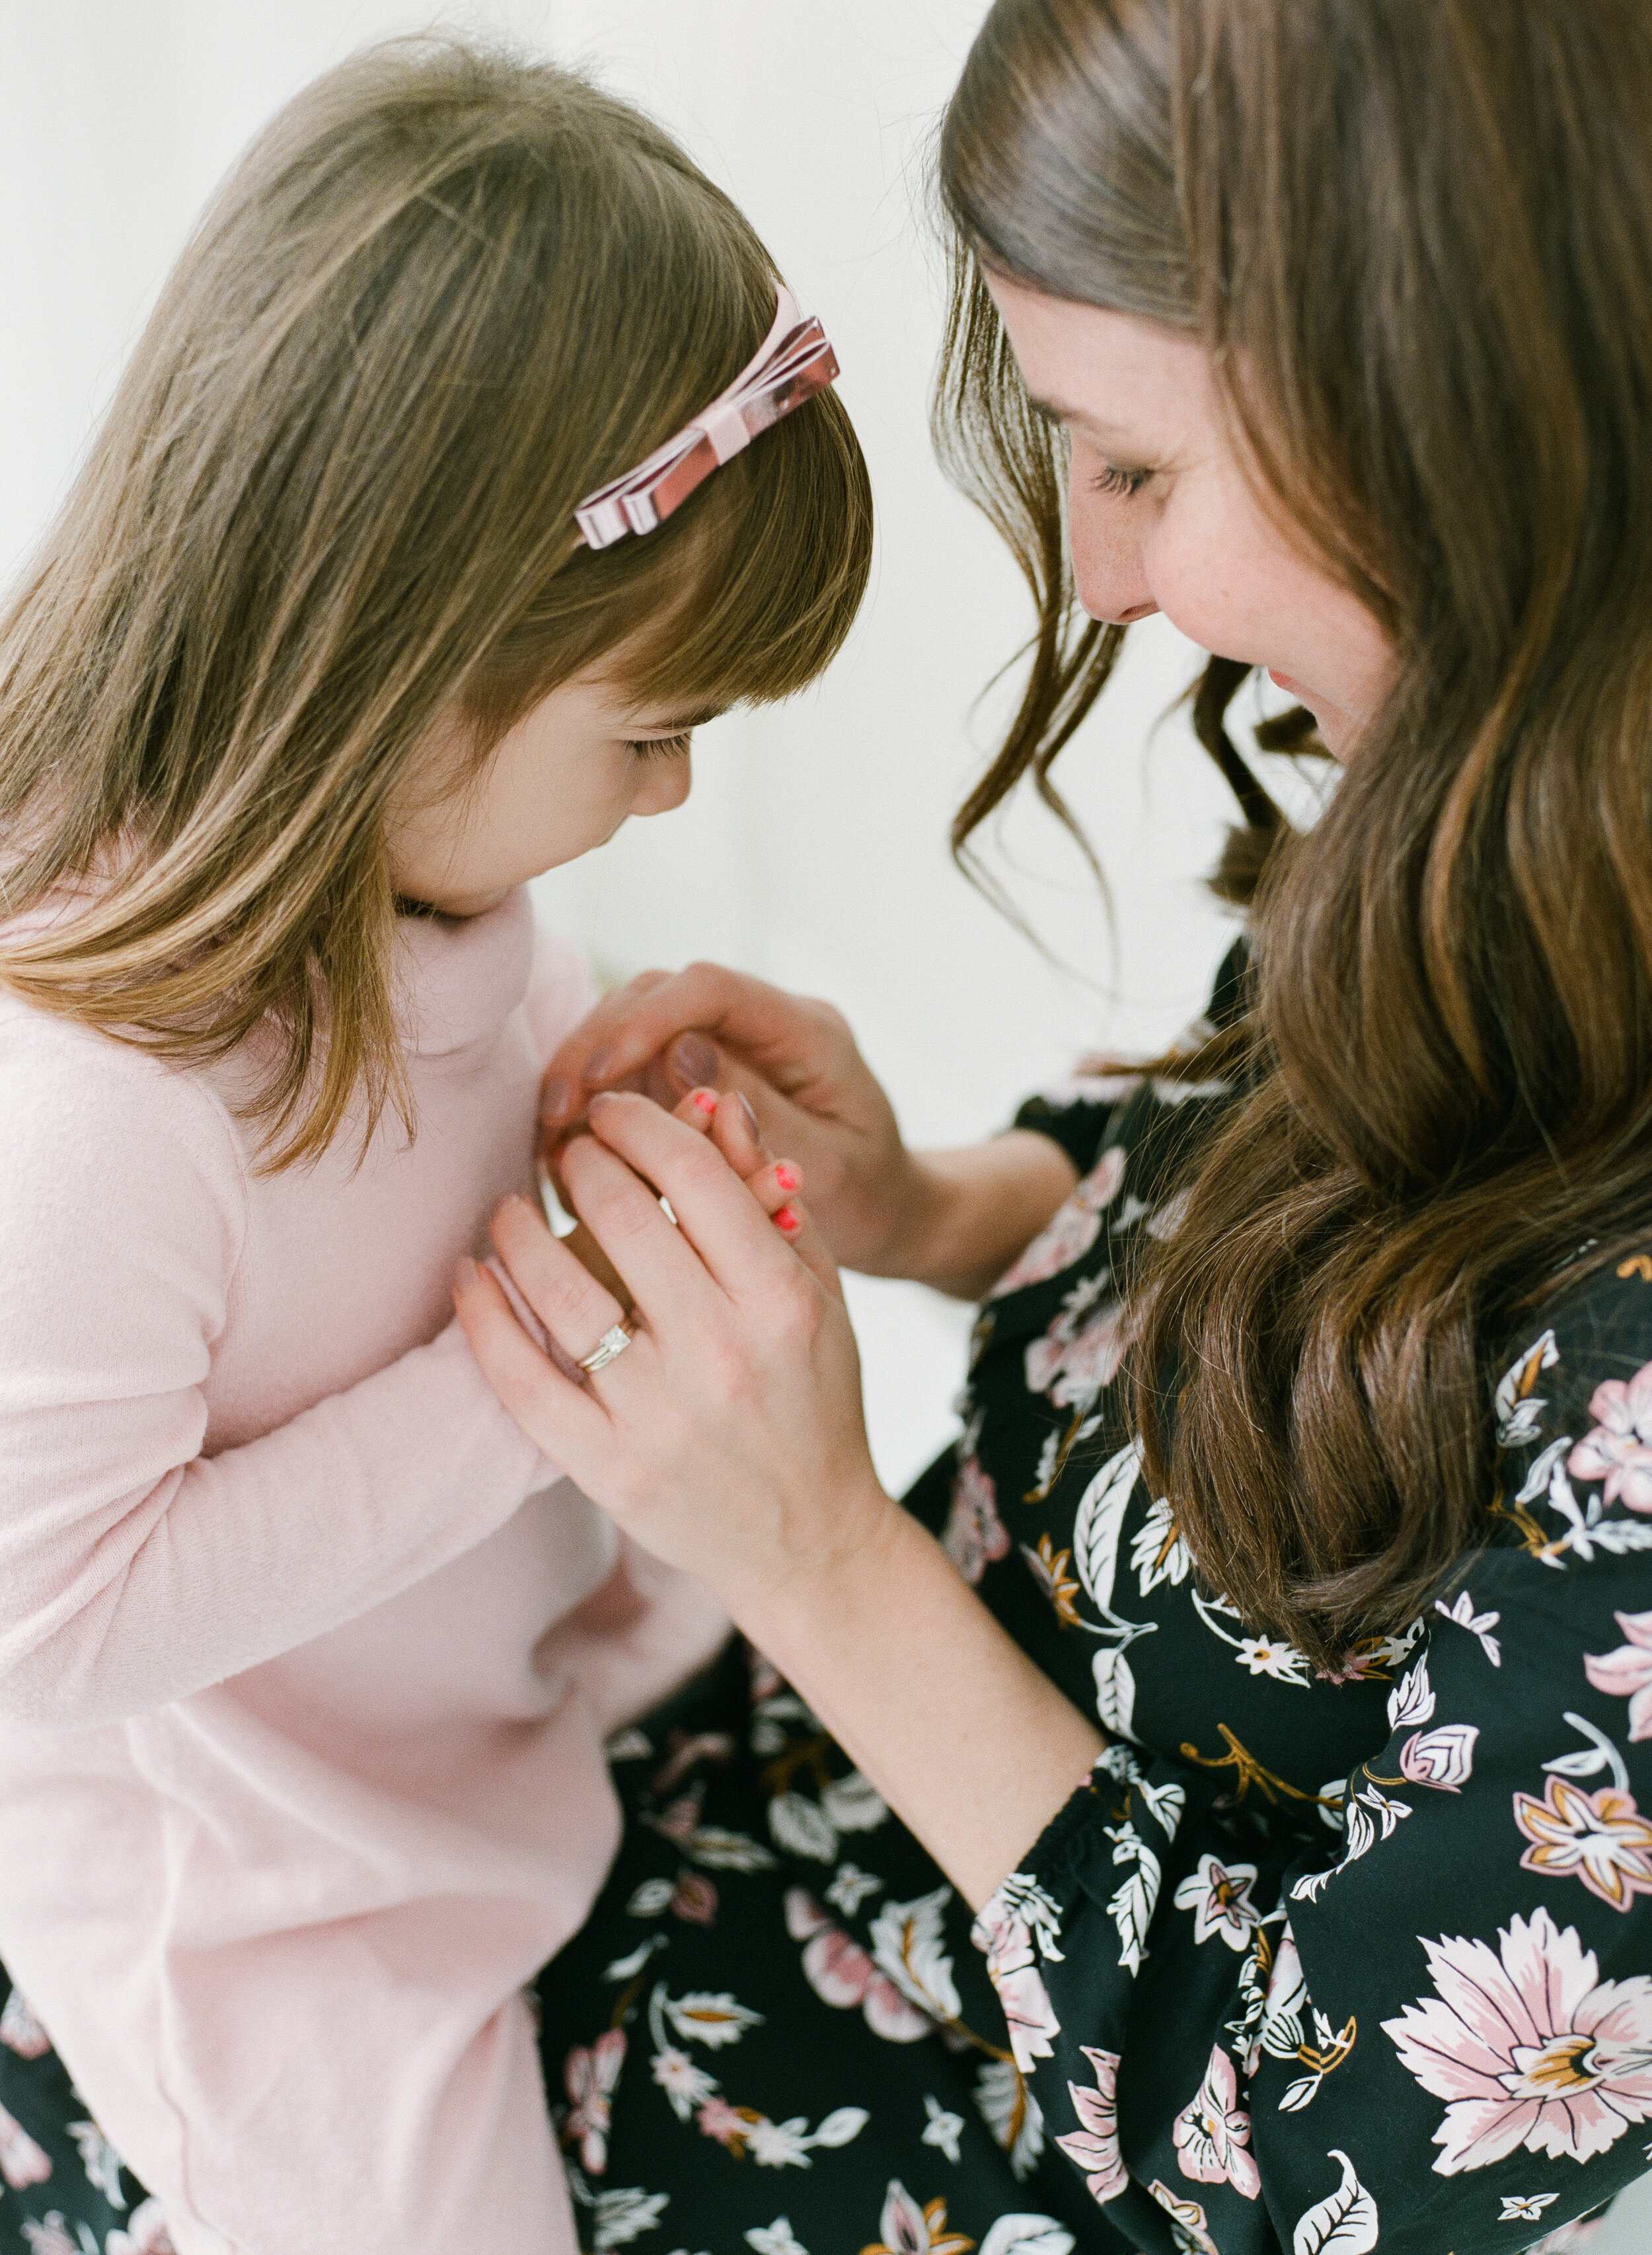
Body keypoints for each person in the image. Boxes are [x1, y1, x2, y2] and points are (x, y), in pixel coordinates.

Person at [455, 3, 1652, 2251]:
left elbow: (1320, 2169)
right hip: (691, 1865)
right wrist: (934, 1203)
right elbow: (1305, 1211)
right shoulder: (1509, 814)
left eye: (1135, 466)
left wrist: (811, 1552)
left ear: (1454, 422)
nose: (1099, 581)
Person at [0, 37, 870, 2255]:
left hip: (489, 1701)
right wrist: (533, 1374)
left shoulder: (447, 881)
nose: (670, 796)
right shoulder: (102, 1095)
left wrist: (614, 1135)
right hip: (277, 1880)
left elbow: (460, 1170)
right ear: (398, 661)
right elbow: (46, 1632)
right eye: (651, 731)